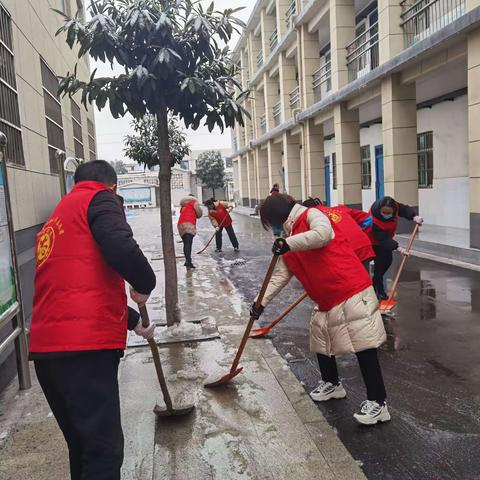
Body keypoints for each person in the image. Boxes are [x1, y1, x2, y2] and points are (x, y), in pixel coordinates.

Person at [29, 160, 157, 480]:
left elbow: (74, 286)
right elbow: (119, 246)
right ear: (112, 186)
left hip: (48, 351)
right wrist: (144, 283)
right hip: (84, 349)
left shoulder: (59, 216)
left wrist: (131, 320)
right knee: (103, 452)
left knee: (83, 448)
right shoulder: (100, 198)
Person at [254, 194, 389, 426]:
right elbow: (280, 275)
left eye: (271, 222)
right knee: (322, 340)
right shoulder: (289, 237)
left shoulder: (311, 216)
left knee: (363, 346)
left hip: (350, 289)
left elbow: (323, 235)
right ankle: (332, 384)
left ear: (278, 216)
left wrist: (289, 243)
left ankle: (378, 403)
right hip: (327, 298)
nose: (272, 228)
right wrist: (260, 303)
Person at [362, 196, 423, 300]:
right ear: (380, 210)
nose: (387, 215)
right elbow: (383, 238)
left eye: (389, 213)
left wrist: (414, 216)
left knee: (387, 261)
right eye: (384, 213)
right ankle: (379, 291)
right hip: (373, 241)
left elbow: (403, 209)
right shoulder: (374, 220)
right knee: (379, 266)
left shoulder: (394, 206)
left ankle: (376, 282)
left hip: (387, 240)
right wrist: (398, 248)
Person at [302, 197, 375, 270]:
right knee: (364, 279)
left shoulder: (312, 218)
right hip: (362, 246)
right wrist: (359, 231)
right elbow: (368, 219)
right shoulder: (340, 209)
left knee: (349, 279)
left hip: (343, 251)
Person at [177, 195, 203, 270]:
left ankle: (187, 261)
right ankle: (188, 262)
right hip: (189, 224)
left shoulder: (183, 205)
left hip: (180, 225)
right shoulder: (194, 202)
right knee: (188, 243)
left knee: (185, 243)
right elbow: (199, 213)